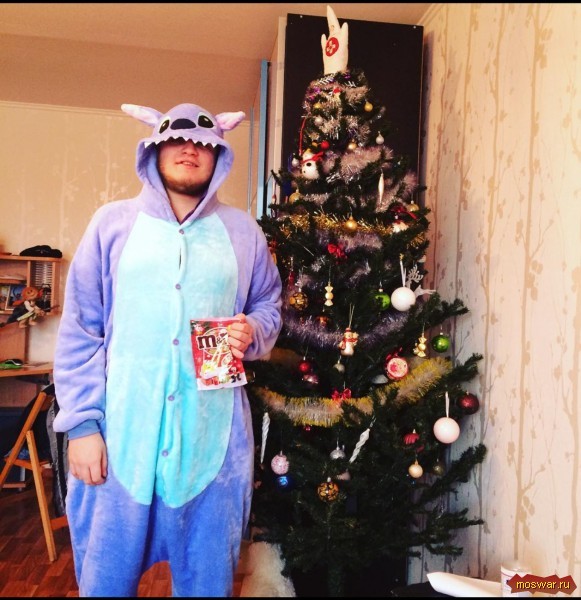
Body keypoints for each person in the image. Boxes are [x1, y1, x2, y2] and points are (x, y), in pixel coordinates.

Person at [52, 102, 282, 597]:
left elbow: (269, 305)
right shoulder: (112, 223)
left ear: (219, 156)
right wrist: (83, 427)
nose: (189, 149)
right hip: (119, 442)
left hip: (212, 445)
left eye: (203, 143)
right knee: (105, 583)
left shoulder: (244, 232)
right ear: (153, 150)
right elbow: (81, 330)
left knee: (206, 585)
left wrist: (252, 329)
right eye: (176, 139)